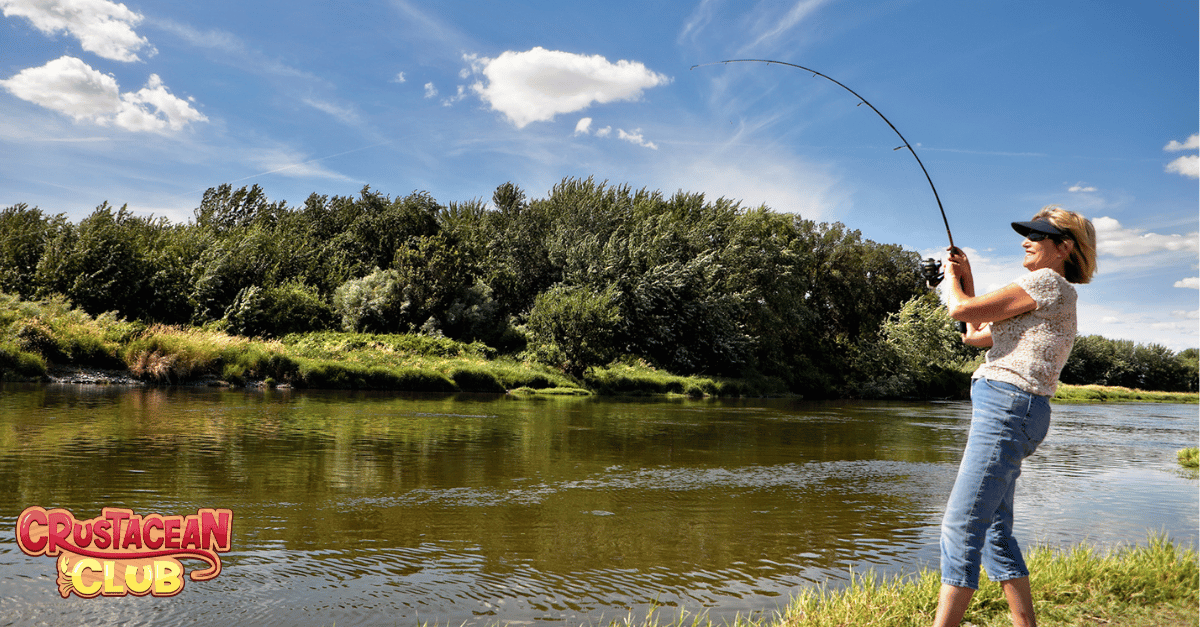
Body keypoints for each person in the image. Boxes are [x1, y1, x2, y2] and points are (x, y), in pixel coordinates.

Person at [932, 205, 1097, 627]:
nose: (1026, 241)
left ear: (1063, 248)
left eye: (1036, 236)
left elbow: (960, 311)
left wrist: (950, 280)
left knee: (960, 526)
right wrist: (966, 278)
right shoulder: (1046, 296)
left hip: (1007, 407)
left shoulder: (1044, 282)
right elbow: (974, 334)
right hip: (1017, 410)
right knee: (993, 532)